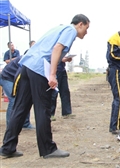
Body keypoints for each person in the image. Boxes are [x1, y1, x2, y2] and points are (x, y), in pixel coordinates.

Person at [0, 14, 90, 159]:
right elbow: (56, 48)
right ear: (80, 24)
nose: (86, 31)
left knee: (20, 108)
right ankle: (48, 149)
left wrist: (62, 59)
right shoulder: (70, 30)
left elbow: (49, 49)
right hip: (39, 69)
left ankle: (7, 147)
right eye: (86, 27)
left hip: (27, 66)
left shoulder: (58, 28)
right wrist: (53, 75)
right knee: (43, 109)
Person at [0, 56, 34, 129]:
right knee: (14, 99)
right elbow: (18, 75)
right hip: (7, 77)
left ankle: (25, 124)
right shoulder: (27, 59)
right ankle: (10, 126)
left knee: (26, 99)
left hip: (16, 78)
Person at [51, 56, 74, 121]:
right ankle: (50, 114)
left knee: (65, 91)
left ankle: (66, 112)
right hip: (55, 70)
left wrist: (66, 59)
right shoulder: (53, 46)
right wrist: (62, 59)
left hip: (62, 70)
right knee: (54, 92)